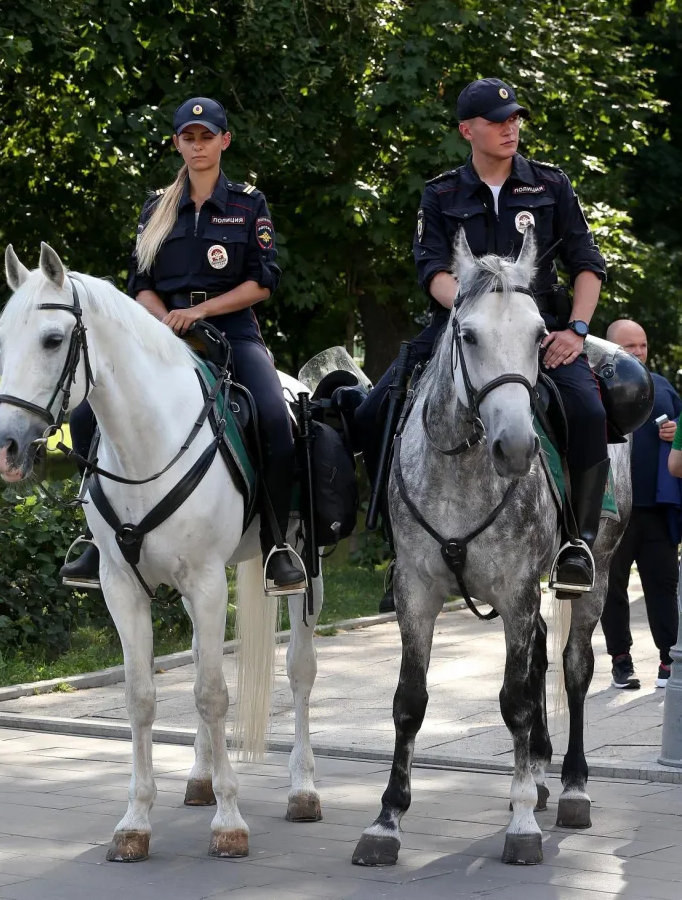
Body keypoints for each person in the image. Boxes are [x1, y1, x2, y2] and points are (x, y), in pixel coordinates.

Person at [355, 77, 608, 611]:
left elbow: (588, 265)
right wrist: (465, 314)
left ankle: (576, 545)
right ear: (467, 130)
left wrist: (578, 331)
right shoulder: (442, 193)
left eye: (514, 119)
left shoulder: (550, 185)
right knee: (375, 410)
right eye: (497, 122)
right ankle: (399, 546)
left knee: (586, 409)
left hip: (536, 331)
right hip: (459, 326)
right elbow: (430, 268)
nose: (510, 128)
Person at [60, 96, 306, 593]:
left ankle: (278, 544)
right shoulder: (157, 207)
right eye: (189, 138)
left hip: (232, 333)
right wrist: (162, 319)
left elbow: (263, 282)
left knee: (274, 420)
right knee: (86, 413)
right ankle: (94, 537)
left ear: (224, 141)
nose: (198, 146)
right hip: (161, 335)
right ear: (177, 144)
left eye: (207, 137)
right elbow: (140, 281)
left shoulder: (247, 204)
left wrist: (200, 311)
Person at [601, 319, 682, 689]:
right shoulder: (593, 385)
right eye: (629, 347)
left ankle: (669, 660)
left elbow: (680, 430)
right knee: (612, 588)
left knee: (663, 586)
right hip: (612, 511)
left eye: (643, 346)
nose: (638, 353)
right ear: (610, 348)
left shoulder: (663, 387)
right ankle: (621, 660)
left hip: (655, 509)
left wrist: (676, 430)